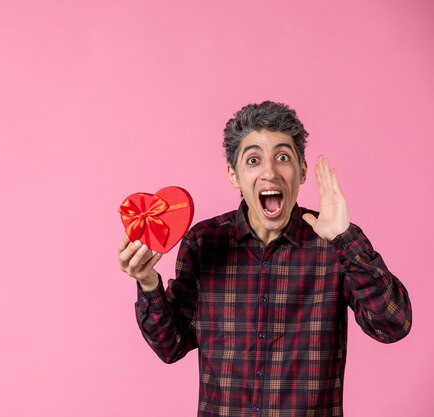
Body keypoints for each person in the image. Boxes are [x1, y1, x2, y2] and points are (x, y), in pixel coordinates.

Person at [117, 101, 412, 417]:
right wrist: (148, 282)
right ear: (234, 174)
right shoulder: (203, 242)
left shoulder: (334, 245)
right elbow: (171, 346)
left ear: (301, 171)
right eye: (254, 160)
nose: (270, 171)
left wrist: (344, 237)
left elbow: (392, 325)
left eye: (283, 157)